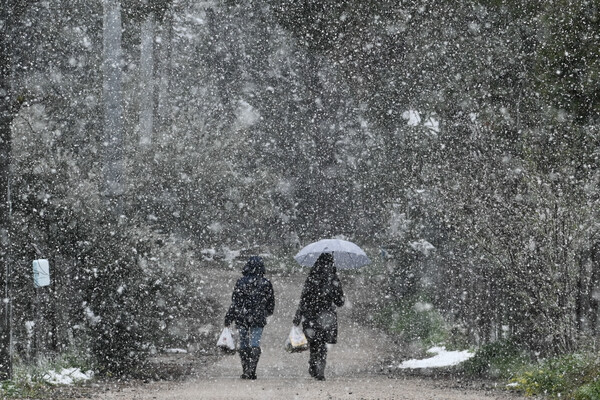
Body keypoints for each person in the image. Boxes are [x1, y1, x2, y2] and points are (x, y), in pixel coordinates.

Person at [293, 252, 344, 381]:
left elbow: (304, 299)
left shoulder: (312, 277)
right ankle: (320, 367)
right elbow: (340, 302)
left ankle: (313, 363)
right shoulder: (334, 279)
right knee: (323, 341)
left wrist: (298, 315)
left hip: (311, 314)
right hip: (327, 316)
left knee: (315, 341)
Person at [224, 256, 275, 380]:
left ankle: (245, 369)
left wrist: (229, 317)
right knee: (255, 342)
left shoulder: (241, 282)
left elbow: (235, 302)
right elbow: (271, 302)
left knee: (244, 342)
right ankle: (252, 369)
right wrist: (267, 312)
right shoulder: (266, 283)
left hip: (242, 317)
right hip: (258, 317)